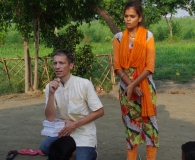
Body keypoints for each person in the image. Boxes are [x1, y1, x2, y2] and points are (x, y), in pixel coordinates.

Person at [113, 1, 159, 159]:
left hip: (145, 86)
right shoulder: (118, 38)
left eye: (132, 16)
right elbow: (118, 66)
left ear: (139, 18)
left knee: (149, 124)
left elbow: (149, 66)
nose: (128, 19)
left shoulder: (147, 36)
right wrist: (129, 85)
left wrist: (134, 84)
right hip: (126, 89)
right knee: (130, 124)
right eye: (126, 16)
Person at [39, 49, 104, 160]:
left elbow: (100, 111)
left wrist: (74, 124)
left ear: (71, 66)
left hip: (84, 133)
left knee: (81, 158)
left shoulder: (84, 84)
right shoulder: (50, 87)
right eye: (55, 63)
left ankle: (91, 155)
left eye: (61, 63)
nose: (57, 66)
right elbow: (50, 117)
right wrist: (51, 94)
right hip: (63, 133)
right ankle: (68, 154)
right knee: (44, 147)